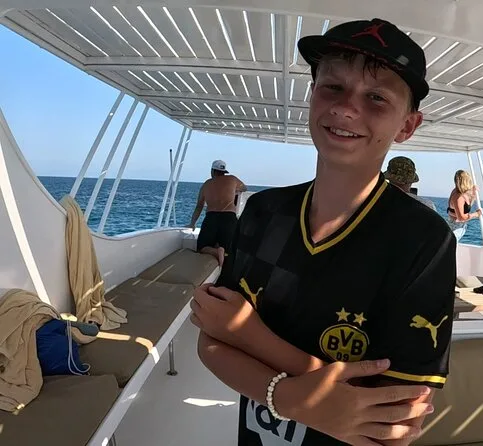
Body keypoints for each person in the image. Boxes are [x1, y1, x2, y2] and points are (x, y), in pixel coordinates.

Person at [190, 18, 456, 446]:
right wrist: (294, 398)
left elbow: (396, 420)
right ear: (312, 94)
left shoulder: (423, 239)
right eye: (333, 87)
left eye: (376, 97)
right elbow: (212, 340)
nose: (347, 108)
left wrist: (251, 336)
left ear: (407, 126)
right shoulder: (262, 211)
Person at [188, 160, 247, 266]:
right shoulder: (232, 179)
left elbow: (199, 206)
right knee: (230, 250)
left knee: (202, 247)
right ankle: (224, 259)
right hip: (229, 218)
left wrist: (192, 223)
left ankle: (216, 252)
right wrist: (235, 189)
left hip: (211, 218)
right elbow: (245, 188)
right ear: (224, 172)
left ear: (212, 171)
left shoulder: (206, 184)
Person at [446, 169, 483, 241]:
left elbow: (466, 207)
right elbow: (461, 218)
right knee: (451, 244)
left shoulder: (461, 192)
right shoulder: (458, 197)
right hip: (455, 228)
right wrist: (476, 214)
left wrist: (474, 194)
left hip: (459, 227)